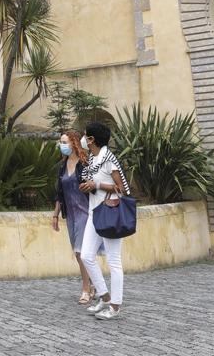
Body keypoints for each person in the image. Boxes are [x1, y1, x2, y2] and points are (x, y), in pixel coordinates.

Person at [79, 122, 131, 320]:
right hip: (94, 213)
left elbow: (122, 189)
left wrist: (97, 184)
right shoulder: (92, 159)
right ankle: (105, 297)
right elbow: (91, 183)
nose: (83, 139)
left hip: (110, 214)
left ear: (92, 139)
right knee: (86, 256)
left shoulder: (109, 159)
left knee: (113, 260)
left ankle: (115, 306)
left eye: (85, 135)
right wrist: (88, 186)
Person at [52, 130, 97, 304]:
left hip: (85, 213)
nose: (61, 145)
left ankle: (86, 289)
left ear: (74, 143)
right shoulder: (62, 166)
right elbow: (59, 193)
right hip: (70, 214)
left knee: (80, 252)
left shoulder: (84, 163)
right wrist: (55, 215)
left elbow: (93, 186)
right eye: (61, 142)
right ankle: (93, 284)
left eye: (64, 142)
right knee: (79, 253)